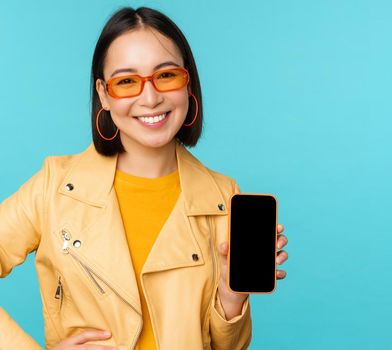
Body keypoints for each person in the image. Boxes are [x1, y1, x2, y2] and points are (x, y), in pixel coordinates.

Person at [0, 6, 289, 350]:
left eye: (166, 75)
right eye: (126, 82)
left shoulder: (224, 197)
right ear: (104, 95)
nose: (150, 98)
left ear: (188, 83)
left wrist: (231, 298)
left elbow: (228, 347)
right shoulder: (54, 185)